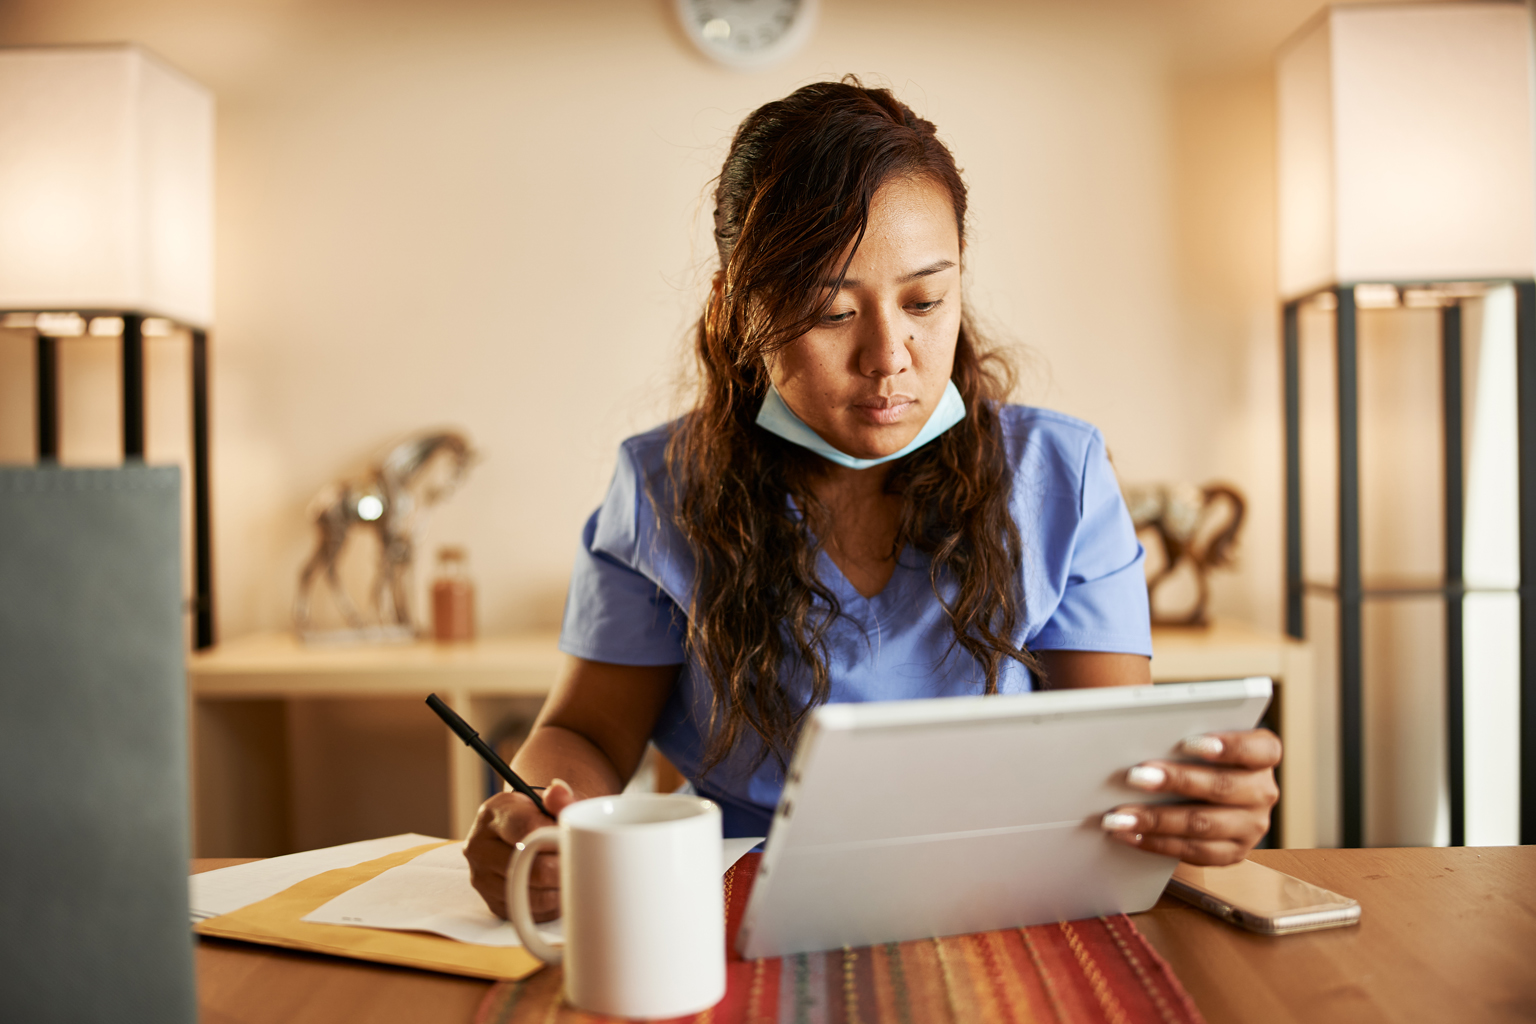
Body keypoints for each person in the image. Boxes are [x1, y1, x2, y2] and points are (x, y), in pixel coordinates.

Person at [466, 79, 1281, 921]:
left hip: (1002, 908)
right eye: (830, 310)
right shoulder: (662, 488)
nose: (891, 356)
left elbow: (1115, 762)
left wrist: (1191, 805)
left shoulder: (1058, 476)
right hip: (739, 910)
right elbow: (591, 737)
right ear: (739, 310)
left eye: (926, 301)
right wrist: (543, 810)